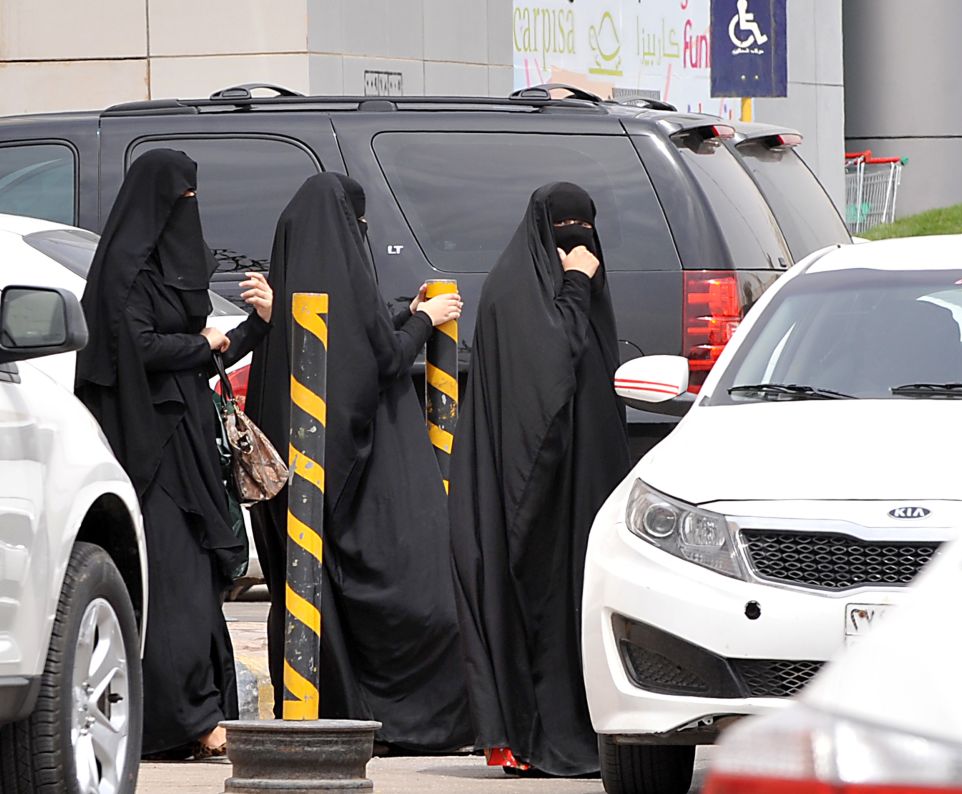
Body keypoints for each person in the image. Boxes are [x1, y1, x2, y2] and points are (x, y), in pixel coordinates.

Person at [245, 172, 472, 752]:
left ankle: (316, 703)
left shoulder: (290, 307)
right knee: (424, 590)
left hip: (304, 499)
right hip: (364, 488)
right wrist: (427, 321)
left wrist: (409, 313)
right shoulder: (323, 298)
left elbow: (355, 339)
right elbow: (377, 359)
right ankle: (421, 717)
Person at [75, 148, 273, 759]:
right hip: (146, 452)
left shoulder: (162, 270)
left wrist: (255, 326)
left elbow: (198, 356)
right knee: (174, 585)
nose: (192, 210)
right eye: (182, 199)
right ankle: (183, 718)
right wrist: (204, 339)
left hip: (186, 447)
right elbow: (136, 348)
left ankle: (196, 713)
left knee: (198, 581)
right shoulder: (121, 279)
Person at [449, 182, 631, 776]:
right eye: (565, 232)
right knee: (547, 602)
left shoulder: (577, 288)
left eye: (586, 229)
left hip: (585, 482)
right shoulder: (514, 291)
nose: (578, 245)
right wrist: (576, 283)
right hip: (538, 491)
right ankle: (539, 737)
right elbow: (551, 370)